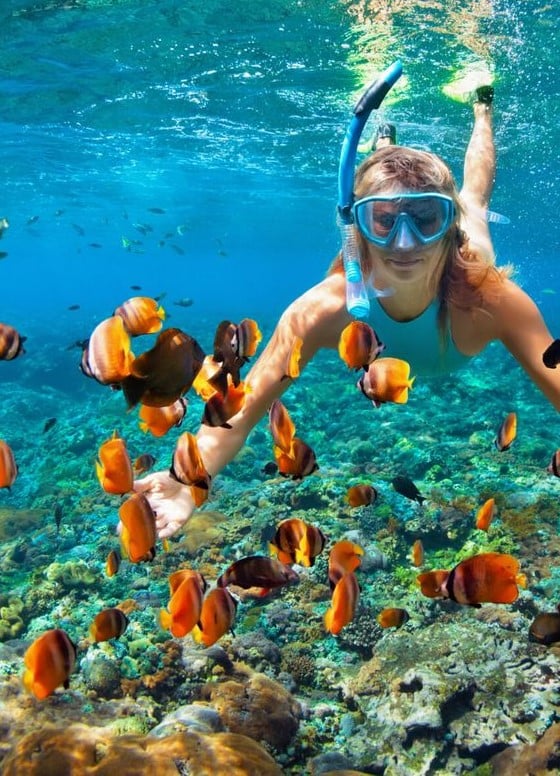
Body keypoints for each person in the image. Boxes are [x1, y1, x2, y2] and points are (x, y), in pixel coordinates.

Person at [134, 87, 560, 538]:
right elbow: (241, 408)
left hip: (468, 241)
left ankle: (482, 106)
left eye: (426, 218)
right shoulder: (322, 309)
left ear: (446, 225)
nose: (404, 242)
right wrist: (187, 483)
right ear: (355, 228)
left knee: (474, 198)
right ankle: (385, 147)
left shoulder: (491, 299)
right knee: (403, 185)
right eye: (383, 220)